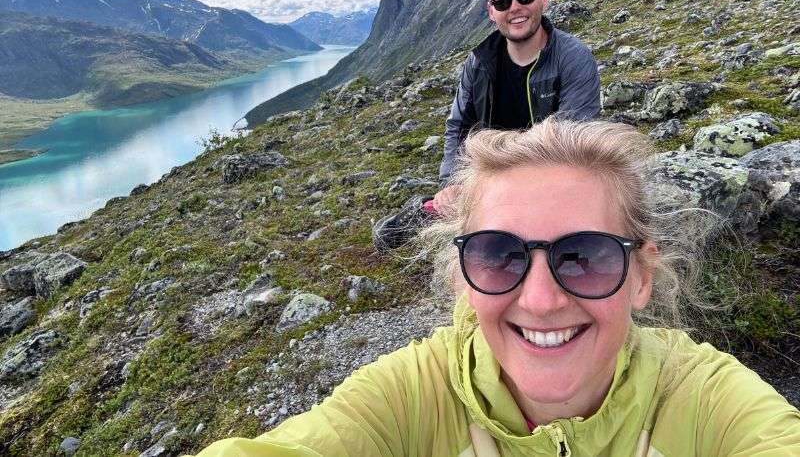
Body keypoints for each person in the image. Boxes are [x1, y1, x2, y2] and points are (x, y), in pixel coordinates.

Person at [191, 118, 800, 456]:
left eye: (583, 257)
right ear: (463, 276)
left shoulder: (706, 404)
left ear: (641, 276)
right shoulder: (409, 400)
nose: (539, 299)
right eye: (497, 255)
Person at [433, 0, 601, 212]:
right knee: (391, 233)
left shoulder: (573, 58)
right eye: (502, 2)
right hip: (489, 184)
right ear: (491, 12)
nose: (515, 8)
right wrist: (452, 183)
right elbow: (459, 126)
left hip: (554, 187)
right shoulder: (479, 62)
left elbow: (571, 145)